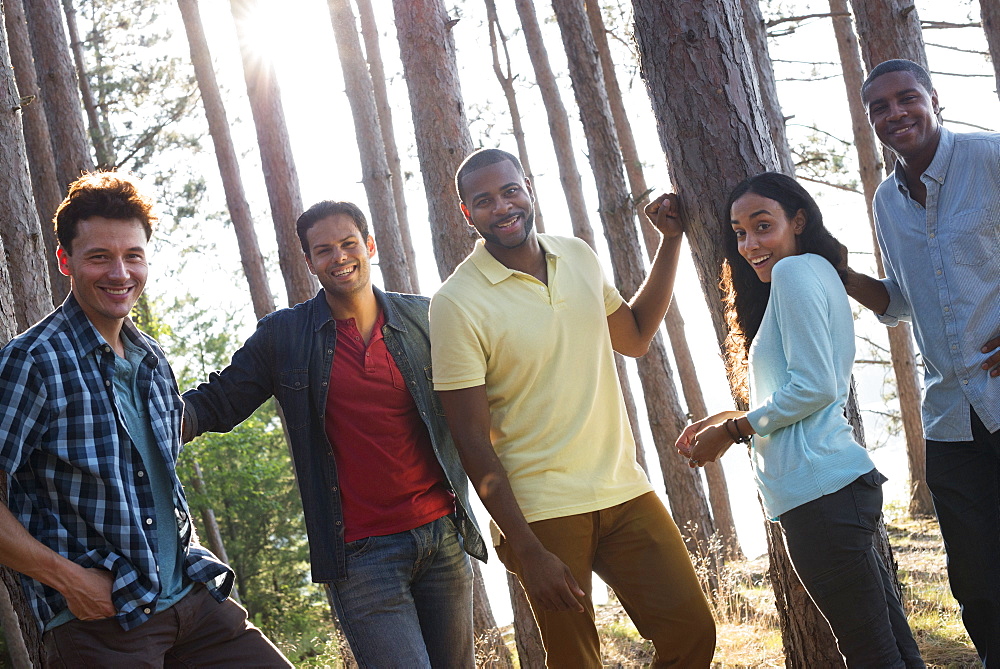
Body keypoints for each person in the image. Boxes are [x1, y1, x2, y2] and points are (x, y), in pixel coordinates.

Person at [430, 148, 715, 668]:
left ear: (529, 187)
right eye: (484, 200)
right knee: (576, 662)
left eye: (510, 190)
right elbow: (471, 441)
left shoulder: (577, 255)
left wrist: (670, 241)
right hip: (540, 510)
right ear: (467, 214)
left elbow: (632, 336)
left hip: (621, 487)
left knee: (692, 631)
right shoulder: (456, 303)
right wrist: (527, 550)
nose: (503, 207)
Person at [0, 172, 290, 667]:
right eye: (99, 257)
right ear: (65, 262)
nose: (120, 273)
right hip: (103, 623)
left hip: (193, 600)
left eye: (133, 256)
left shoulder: (150, 358)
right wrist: (69, 581)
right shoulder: (32, 362)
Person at [181, 200, 486, 667]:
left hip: (442, 537)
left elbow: (483, 396)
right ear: (309, 262)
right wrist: (131, 420)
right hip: (363, 557)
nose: (339, 257)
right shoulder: (285, 336)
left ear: (370, 245)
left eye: (348, 244)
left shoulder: (424, 319)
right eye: (323, 250)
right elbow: (214, 405)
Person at [677, 172, 924, 666]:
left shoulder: (794, 273)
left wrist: (733, 431)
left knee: (871, 651)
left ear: (799, 220)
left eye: (762, 226)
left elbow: (815, 388)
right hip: (831, 491)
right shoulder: (812, 273)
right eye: (739, 232)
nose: (749, 244)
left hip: (821, 496)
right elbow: (806, 386)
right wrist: (736, 417)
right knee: (889, 645)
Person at [843, 58, 1000, 662]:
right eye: (879, 107)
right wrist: (842, 270)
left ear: (935, 99)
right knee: (978, 575)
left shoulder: (989, 160)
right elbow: (903, 299)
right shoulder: (887, 201)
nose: (895, 113)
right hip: (950, 419)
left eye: (906, 98)